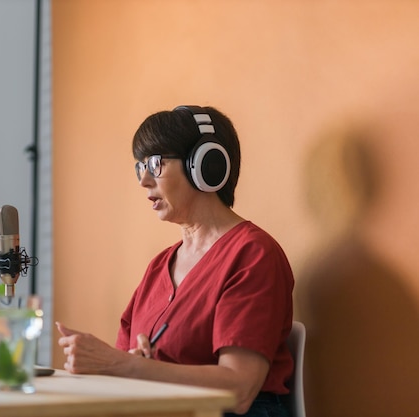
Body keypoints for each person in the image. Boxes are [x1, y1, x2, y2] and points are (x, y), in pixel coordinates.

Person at [56, 105, 294, 417]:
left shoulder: (252, 254)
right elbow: (128, 364)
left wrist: (126, 366)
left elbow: (239, 389)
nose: (144, 181)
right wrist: (135, 363)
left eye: (155, 164)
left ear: (206, 166)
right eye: (140, 168)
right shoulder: (159, 266)